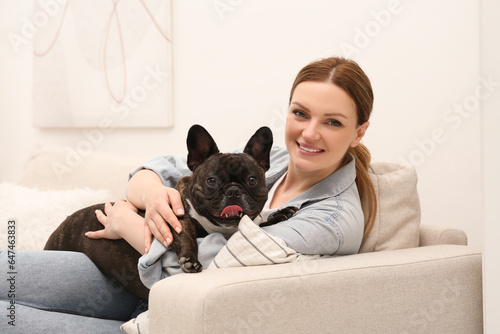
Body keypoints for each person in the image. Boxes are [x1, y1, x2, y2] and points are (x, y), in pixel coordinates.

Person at [0, 57, 377, 332]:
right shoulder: (276, 160)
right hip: (130, 282)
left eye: (332, 122)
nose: (309, 133)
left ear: (359, 131)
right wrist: (150, 192)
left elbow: (209, 274)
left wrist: (131, 225)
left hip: (171, 318)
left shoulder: (332, 219)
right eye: (300, 113)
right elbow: (158, 167)